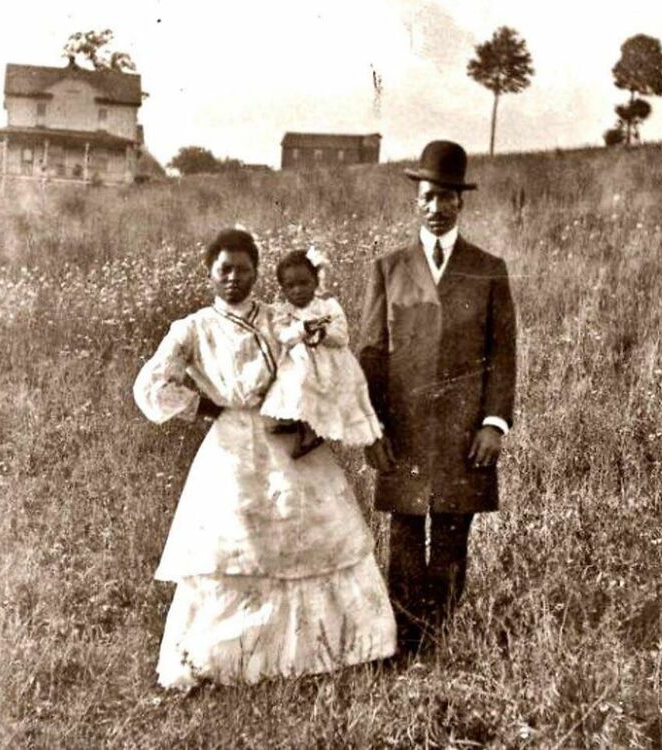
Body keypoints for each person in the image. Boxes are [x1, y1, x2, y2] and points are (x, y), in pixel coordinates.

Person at [133, 228, 395, 688]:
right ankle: (229, 661)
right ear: (210, 273)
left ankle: (330, 651)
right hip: (232, 446)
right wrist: (203, 406)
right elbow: (150, 386)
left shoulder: (280, 319)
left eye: (244, 269)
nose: (234, 278)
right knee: (239, 544)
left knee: (311, 535)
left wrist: (311, 415)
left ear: (257, 272)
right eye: (224, 270)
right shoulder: (193, 329)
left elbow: (317, 365)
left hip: (288, 436)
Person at [358, 141, 517, 652]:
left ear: (460, 202)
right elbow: (371, 355)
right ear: (416, 200)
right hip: (400, 428)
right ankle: (402, 638)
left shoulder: (488, 269)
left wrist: (494, 423)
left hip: (463, 430)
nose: (436, 207)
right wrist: (370, 427)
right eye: (428, 196)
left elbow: (502, 353)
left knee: (452, 532)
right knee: (403, 535)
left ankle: (439, 640)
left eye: (446, 197)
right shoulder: (387, 268)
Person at [261, 248, 383, 458]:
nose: (297, 290)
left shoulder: (327, 306)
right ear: (283, 289)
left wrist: (322, 333)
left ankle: (311, 433)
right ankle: (294, 423)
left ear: (316, 282)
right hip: (299, 360)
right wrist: (301, 329)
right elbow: (283, 337)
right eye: (290, 286)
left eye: (304, 283)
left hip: (328, 362)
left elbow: (342, 336)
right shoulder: (284, 311)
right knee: (292, 384)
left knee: (309, 387)